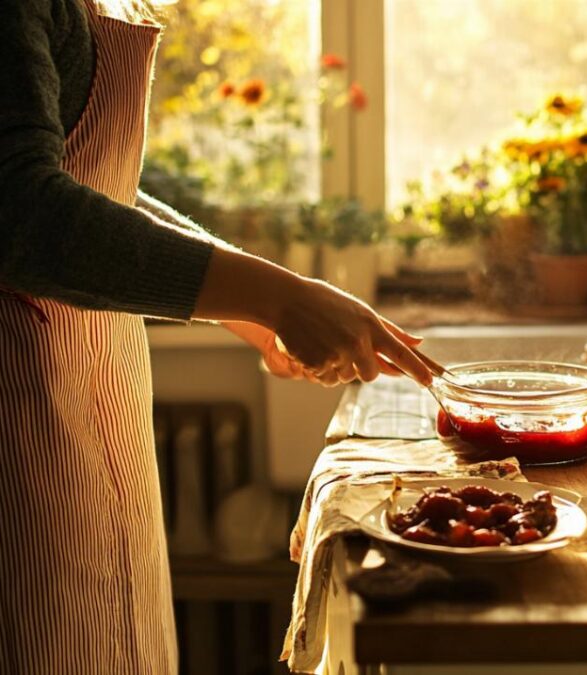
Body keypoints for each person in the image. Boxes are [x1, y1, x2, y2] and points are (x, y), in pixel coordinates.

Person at [0, 1, 434, 671]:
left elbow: (100, 187)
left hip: (94, 391)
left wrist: (252, 309)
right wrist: (278, 296)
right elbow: (24, 211)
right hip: (22, 419)